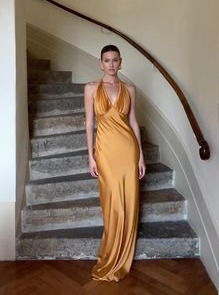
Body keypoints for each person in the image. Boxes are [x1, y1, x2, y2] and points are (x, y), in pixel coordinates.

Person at [84, 44, 146, 282]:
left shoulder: (129, 89)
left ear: (121, 62)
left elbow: (133, 122)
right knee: (112, 202)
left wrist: (140, 154)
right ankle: (111, 254)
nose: (111, 64)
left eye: (115, 60)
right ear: (101, 63)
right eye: (106, 60)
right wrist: (91, 155)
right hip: (105, 152)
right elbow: (89, 123)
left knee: (128, 200)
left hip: (128, 150)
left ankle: (123, 256)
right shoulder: (90, 88)